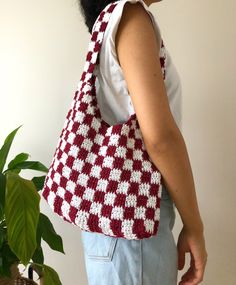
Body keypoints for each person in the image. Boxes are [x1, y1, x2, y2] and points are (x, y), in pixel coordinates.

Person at [78, 0, 208, 284]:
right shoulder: (131, 16)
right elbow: (160, 139)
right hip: (133, 225)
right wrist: (194, 226)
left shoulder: (114, 20)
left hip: (117, 226)